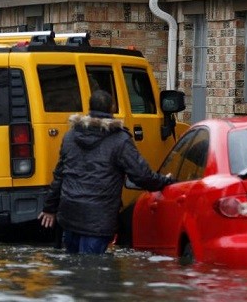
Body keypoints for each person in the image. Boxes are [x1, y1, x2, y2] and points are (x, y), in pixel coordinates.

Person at [39, 90, 174, 254]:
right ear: (113, 108)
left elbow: (59, 175)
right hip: (98, 220)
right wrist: (165, 182)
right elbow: (141, 175)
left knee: (73, 271)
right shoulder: (119, 140)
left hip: (70, 216)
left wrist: (49, 208)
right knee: (93, 272)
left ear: (89, 108)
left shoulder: (70, 136)